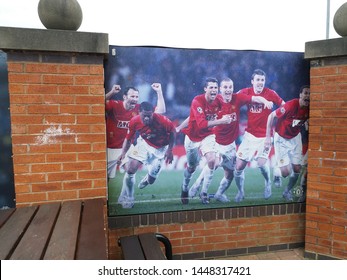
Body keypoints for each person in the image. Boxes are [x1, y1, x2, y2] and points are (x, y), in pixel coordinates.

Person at [188, 78, 273, 203]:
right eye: (225, 87)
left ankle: (219, 194)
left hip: (231, 144)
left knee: (230, 173)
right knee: (214, 163)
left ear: (233, 88)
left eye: (230, 87)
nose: (228, 90)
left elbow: (255, 98)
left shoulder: (237, 98)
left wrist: (265, 100)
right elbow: (200, 115)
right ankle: (198, 187)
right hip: (216, 141)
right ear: (220, 89)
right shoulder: (214, 101)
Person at [178, 77, 233, 205]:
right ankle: (185, 187)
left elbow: (229, 104)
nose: (214, 90)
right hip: (192, 137)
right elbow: (202, 124)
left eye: (215, 87)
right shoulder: (197, 101)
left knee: (212, 160)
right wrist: (221, 121)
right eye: (211, 87)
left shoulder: (219, 100)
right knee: (191, 168)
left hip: (208, 135)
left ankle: (203, 193)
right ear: (205, 89)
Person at [234, 69, 285, 202]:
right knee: (238, 167)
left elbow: (285, 106)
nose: (260, 83)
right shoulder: (246, 92)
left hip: (265, 136)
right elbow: (234, 98)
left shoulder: (271, 93)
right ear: (252, 81)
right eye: (257, 80)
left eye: (262, 80)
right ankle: (240, 192)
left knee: (261, 163)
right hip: (249, 135)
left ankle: (268, 183)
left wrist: (279, 113)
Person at [116, 102, 175, 208]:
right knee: (130, 169)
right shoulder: (134, 121)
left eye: (149, 115)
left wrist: (170, 150)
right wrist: (123, 153)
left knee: (151, 181)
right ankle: (129, 198)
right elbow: (128, 139)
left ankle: (148, 178)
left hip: (161, 149)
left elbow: (173, 132)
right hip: (144, 144)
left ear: (153, 113)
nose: (147, 118)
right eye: (144, 116)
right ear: (139, 113)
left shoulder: (162, 120)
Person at [105, 83, 166, 179]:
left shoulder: (139, 109)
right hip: (109, 149)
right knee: (105, 181)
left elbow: (161, 111)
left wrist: (159, 92)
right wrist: (112, 92)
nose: (135, 99)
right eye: (132, 96)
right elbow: (96, 104)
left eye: (137, 96)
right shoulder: (114, 105)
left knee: (130, 171)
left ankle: (128, 194)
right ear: (124, 97)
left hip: (127, 147)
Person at [265, 85, 310, 201]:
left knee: (297, 169)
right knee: (285, 173)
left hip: (295, 138)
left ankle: (287, 191)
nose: (308, 96)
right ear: (300, 95)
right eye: (305, 93)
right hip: (281, 139)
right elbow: (271, 116)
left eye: (310, 94)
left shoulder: (310, 108)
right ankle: (277, 171)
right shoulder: (290, 105)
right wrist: (267, 136)